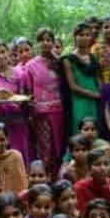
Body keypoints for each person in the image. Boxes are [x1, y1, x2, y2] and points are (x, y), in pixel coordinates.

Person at [23, 28, 67, 178]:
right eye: (42, 40)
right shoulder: (30, 65)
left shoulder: (60, 62)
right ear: (38, 43)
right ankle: (45, 179)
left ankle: (58, 179)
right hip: (41, 114)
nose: (46, 43)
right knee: (45, 148)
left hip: (60, 111)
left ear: (53, 42)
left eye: (49, 40)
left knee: (59, 146)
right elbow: (28, 92)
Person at [0, 39, 31, 165]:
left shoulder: (19, 74)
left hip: (18, 120)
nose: (0, 56)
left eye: (2, 52)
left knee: (19, 154)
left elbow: (24, 97)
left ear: (8, 52)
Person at [73, 149, 110, 218]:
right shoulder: (79, 187)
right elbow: (82, 215)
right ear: (89, 168)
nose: (102, 168)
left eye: (106, 164)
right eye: (97, 164)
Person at [64, 22, 101, 134]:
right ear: (75, 37)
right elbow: (73, 86)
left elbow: (97, 78)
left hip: (94, 101)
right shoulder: (68, 59)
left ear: (91, 37)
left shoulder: (93, 57)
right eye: (81, 35)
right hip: (79, 101)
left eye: (87, 35)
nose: (84, 38)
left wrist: (101, 91)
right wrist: (93, 94)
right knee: (79, 129)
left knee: (94, 128)